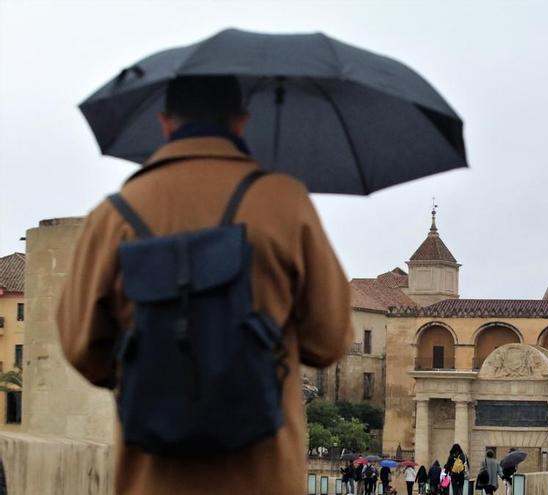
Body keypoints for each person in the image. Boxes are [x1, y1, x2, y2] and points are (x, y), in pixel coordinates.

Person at [55, 75, 354, 495]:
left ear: (164, 123)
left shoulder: (113, 218)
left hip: (152, 476)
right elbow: (329, 339)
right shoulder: (284, 202)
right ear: (241, 122)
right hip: (263, 475)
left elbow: (82, 348)